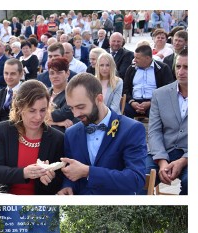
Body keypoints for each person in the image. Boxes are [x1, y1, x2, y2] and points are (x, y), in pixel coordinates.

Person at [58, 73, 147, 195]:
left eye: (80, 107)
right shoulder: (71, 133)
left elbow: (136, 179)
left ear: (99, 99)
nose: (75, 114)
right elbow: (71, 173)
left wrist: (88, 172)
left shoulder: (131, 129)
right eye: (71, 108)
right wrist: (67, 186)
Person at [0, 80, 64, 195]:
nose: (38, 117)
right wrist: (24, 173)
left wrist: (50, 179)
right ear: (19, 108)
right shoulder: (4, 130)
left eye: (43, 110)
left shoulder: (57, 138)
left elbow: (59, 183)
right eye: (32, 110)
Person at [145, 49, 188, 195]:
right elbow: (154, 131)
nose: (181, 71)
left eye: (187, 67)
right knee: (138, 178)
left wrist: (184, 160)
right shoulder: (160, 94)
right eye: (178, 66)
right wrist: (161, 160)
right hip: (162, 151)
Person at [123, 44, 174, 119]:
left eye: (137, 58)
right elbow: (125, 88)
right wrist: (132, 102)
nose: (135, 60)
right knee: (123, 111)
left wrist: (151, 103)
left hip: (154, 102)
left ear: (147, 58)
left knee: (157, 112)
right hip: (133, 102)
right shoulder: (131, 69)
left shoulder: (162, 68)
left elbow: (168, 89)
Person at [46, 57, 78, 133]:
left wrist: (47, 119)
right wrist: (58, 123)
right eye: (52, 73)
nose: (55, 76)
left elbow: (61, 115)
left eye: (59, 72)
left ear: (67, 73)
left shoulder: (73, 94)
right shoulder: (45, 92)